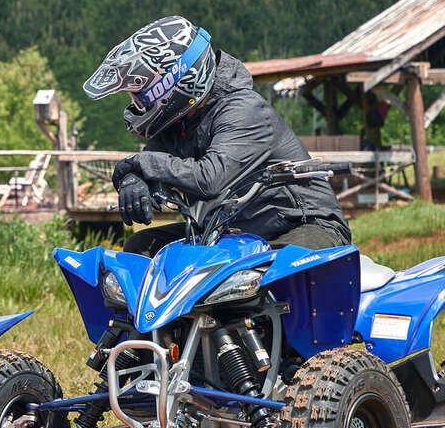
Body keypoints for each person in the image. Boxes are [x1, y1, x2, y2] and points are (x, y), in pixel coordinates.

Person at [83, 16, 351, 255]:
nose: (138, 104)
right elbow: (152, 162)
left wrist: (139, 165)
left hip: (302, 224)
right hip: (231, 232)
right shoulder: (180, 123)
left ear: (179, 81)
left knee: (272, 270)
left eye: (142, 94)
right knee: (140, 248)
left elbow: (209, 178)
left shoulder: (243, 109)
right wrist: (131, 180)